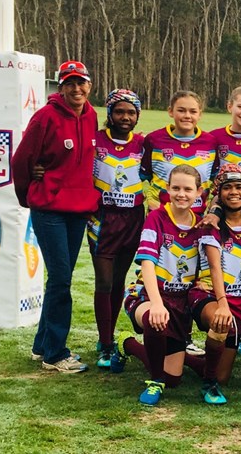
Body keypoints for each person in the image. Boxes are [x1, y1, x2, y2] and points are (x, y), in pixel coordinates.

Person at [13, 60, 97, 373]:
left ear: (89, 85)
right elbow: (22, 160)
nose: (76, 89)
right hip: (49, 209)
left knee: (59, 280)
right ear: (60, 87)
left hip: (78, 210)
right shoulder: (45, 116)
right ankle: (56, 354)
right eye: (69, 83)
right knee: (61, 279)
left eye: (81, 83)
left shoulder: (91, 115)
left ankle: (41, 345)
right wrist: (30, 195)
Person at [120, 165, 213, 405]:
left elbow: (204, 263)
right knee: (154, 317)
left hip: (180, 302)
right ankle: (155, 382)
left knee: (175, 379)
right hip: (148, 294)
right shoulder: (156, 218)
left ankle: (129, 344)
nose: (181, 194)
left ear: (199, 192)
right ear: (167, 189)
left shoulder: (201, 225)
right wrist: (157, 303)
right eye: (176, 188)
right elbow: (147, 265)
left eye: (188, 189)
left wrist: (201, 282)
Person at [188, 164, 241, 404]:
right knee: (224, 322)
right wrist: (222, 303)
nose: (234, 192)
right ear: (219, 193)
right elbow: (215, 268)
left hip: (240, 299)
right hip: (208, 293)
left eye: (239, 187)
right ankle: (209, 386)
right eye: (227, 188)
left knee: (223, 374)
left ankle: (180, 355)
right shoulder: (212, 224)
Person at [88, 89, 146, 368]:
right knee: (104, 281)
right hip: (102, 218)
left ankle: (107, 337)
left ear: (138, 116)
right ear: (109, 114)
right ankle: (106, 343)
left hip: (133, 218)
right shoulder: (96, 140)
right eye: (119, 111)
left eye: (131, 112)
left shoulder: (144, 145)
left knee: (119, 281)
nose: (125, 117)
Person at [141, 90, 217, 214]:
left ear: (200, 114)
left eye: (193, 111)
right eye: (181, 110)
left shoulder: (210, 142)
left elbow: (215, 180)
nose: (187, 115)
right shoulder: (154, 140)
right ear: (171, 111)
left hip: (197, 218)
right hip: (160, 216)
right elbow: (145, 177)